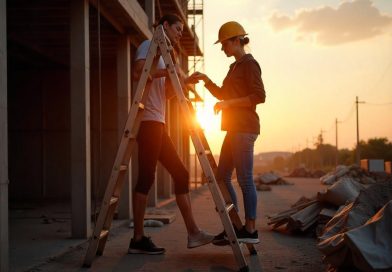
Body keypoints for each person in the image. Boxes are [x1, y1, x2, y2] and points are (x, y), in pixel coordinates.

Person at [128, 14, 214, 255]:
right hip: (147, 121)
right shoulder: (149, 45)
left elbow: (165, 93)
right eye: (177, 29)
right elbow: (138, 73)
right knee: (146, 178)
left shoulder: (168, 56)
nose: (179, 34)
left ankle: (193, 233)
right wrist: (169, 74)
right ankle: (137, 239)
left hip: (159, 122)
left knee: (181, 173)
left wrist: (183, 83)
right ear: (164, 26)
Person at [189, 21, 266, 244]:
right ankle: (234, 224)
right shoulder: (234, 67)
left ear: (236, 41)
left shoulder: (250, 64)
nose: (223, 48)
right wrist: (206, 80)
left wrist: (229, 104)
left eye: (224, 44)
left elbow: (259, 96)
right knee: (221, 177)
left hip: (245, 128)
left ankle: (250, 230)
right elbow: (223, 94)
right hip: (233, 129)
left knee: (245, 180)